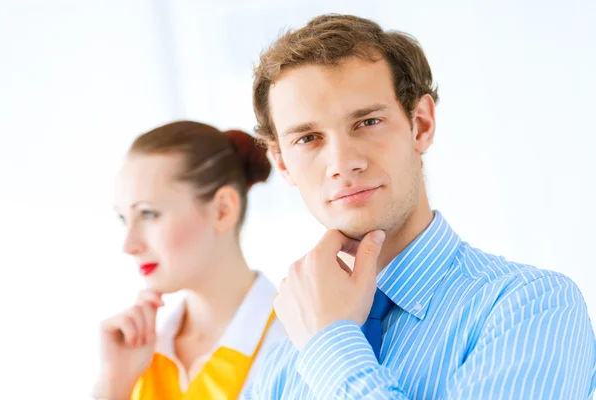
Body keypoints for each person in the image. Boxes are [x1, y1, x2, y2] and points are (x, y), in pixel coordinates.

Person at [244, 14, 596, 399]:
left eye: (367, 122)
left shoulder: (531, 308)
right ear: (282, 162)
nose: (342, 163)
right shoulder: (283, 364)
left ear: (421, 124)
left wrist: (332, 347)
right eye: (308, 138)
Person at [92, 120, 285, 400]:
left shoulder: (299, 343)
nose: (128, 245)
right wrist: (112, 389)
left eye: (148, 214)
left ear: (222, 210)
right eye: (124, 218)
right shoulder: (138, 356)